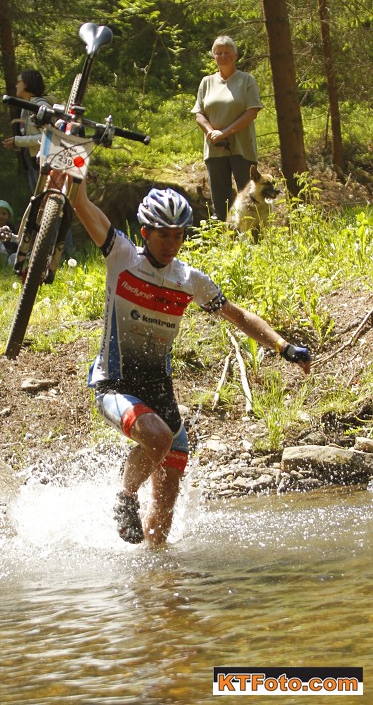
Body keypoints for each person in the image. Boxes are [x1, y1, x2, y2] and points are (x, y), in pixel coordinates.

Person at [73, 182, 311, 545]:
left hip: (159, 392)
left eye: (179, 236)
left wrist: (283, 346)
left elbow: (238, 315)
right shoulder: (122, 257)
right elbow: (82, 203)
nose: (171, 244)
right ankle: (124, 498)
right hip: (114, 384)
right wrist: (75, 175)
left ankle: (157, 583)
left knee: (163, 513)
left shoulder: (188, 280)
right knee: (157, 438)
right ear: (145, 233)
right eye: (163, 236)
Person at [191, 36, 262, 221]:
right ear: (214, 56)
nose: (222, 56)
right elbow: (198, 113)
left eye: (227, 53)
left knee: (247, 196)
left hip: (242, 148)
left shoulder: (246, 80)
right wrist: (211, 132)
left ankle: (252, 238)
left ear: (235, 55)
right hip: (214, 150)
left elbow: (252, 112)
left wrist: (226, 131)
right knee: (220, 200)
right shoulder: (206, 82)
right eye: (218, 53)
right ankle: (224, 239)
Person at [2, 69, 50, 194]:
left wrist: (18, 141)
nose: (16, 85)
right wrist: (17, 143)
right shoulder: (26, 106)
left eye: (19, 82)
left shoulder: (41, 107)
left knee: (45, 204)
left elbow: (49, 137)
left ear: (27, 84)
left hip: (43, 166)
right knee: (38, 204)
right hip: (32, 165)